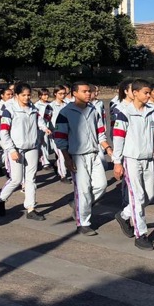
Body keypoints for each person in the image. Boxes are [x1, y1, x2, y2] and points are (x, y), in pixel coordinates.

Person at [112, 79, 154, 250]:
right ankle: (141, 235)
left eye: (150, 93)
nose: (149, 96)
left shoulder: (151, 112)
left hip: (149, 160)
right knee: (138, 197)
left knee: (149, 195)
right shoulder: (124, 112)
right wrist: (117, 162)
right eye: (146, 92)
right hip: (131, 160)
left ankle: (124, 214)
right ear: (135, 93)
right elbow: (118, 139)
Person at [54, 81, 111, 235]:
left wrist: (108, 148)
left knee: (101, 185)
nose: (88, 94)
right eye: (84, 91)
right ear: (74, 93)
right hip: (76, 156)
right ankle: (83, 222)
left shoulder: (93, 110)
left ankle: (77, 205)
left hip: (94, 153)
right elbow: (60, 138)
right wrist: (67, 158)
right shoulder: (65, 112)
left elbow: (100, 132)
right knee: (83, 190)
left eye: (89, 91)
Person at [0, 83, 46, 221]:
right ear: (16, 95)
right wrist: (11, 149)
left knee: (31, 179)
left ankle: (31, 208)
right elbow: (4, 131)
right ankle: (0, 199)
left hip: (32, 147)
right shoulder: (9, 109)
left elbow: (39, 121)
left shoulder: (33, 108)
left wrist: (44, 128)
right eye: (23, 95)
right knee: (16, 179)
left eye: (29, 95)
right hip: (16, 148)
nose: (27, 97)